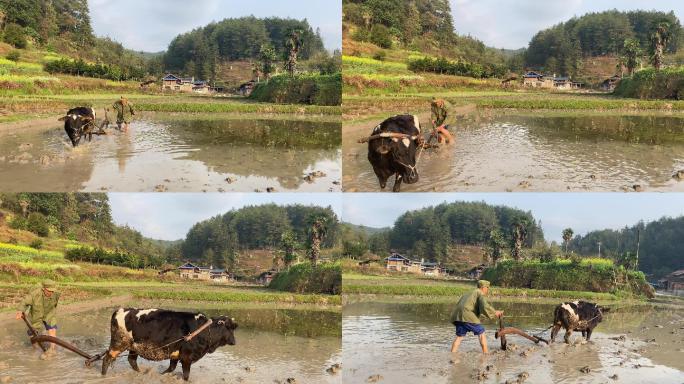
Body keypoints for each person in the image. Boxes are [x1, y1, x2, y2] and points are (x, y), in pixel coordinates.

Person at [450, 280, 503, 354]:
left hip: (458, 316)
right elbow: (484, 306)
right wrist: (495, 313)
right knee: (481, 332)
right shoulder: (480, 293)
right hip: (467, 315)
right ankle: (486, 354)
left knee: (459, 336)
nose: (487, 290)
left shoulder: (469, 293)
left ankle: (452, 354)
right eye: (487, 288)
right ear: (483, 287)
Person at [15, 279, 61, 357]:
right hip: (36, 313)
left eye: (52, 291)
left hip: (49, 313)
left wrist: (52, 313)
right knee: (33, 332)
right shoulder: (34, 294)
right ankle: (35, 348)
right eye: (49, 291)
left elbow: (55, 304)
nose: (51, 293)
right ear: (43, 289)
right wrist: (20, 311)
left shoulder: (56, 294)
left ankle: (52, 349)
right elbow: (24, 302)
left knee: (52, 329)